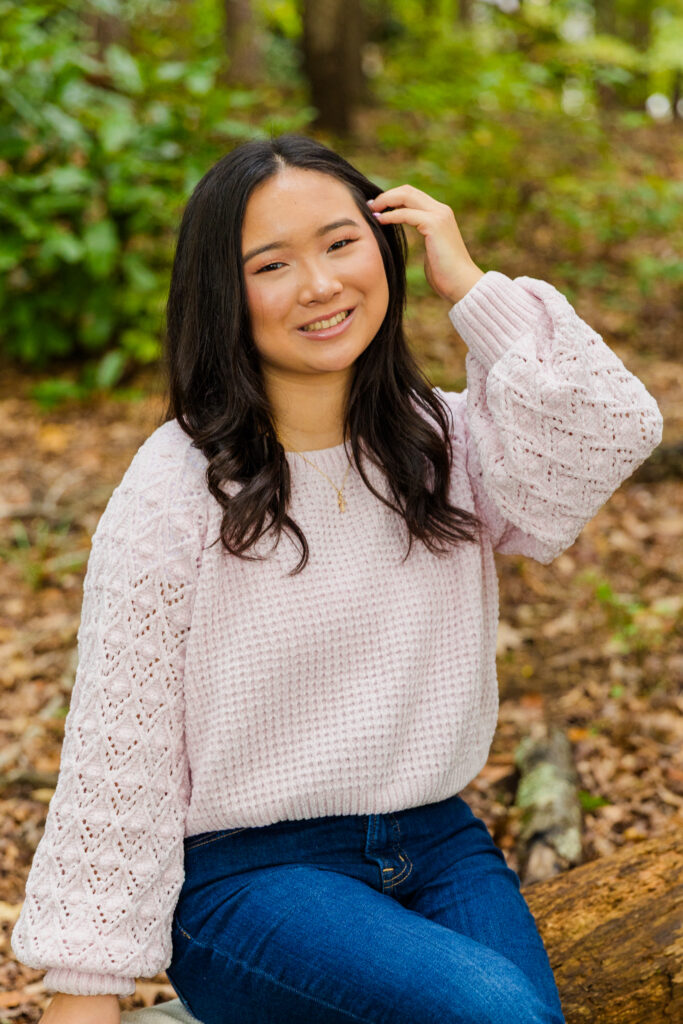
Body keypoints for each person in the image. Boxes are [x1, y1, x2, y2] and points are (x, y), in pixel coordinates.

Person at [12, 133, 662, 1024]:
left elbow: (612, 427)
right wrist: (85, 993)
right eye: (271, 264)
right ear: (223, 296)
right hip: (247, 880)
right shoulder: (178, 485)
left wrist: (473, 290)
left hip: (437, 843)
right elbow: (118, 751)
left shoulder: (442, 444)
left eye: (340, 243)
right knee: (495, 1015)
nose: (320, 285)